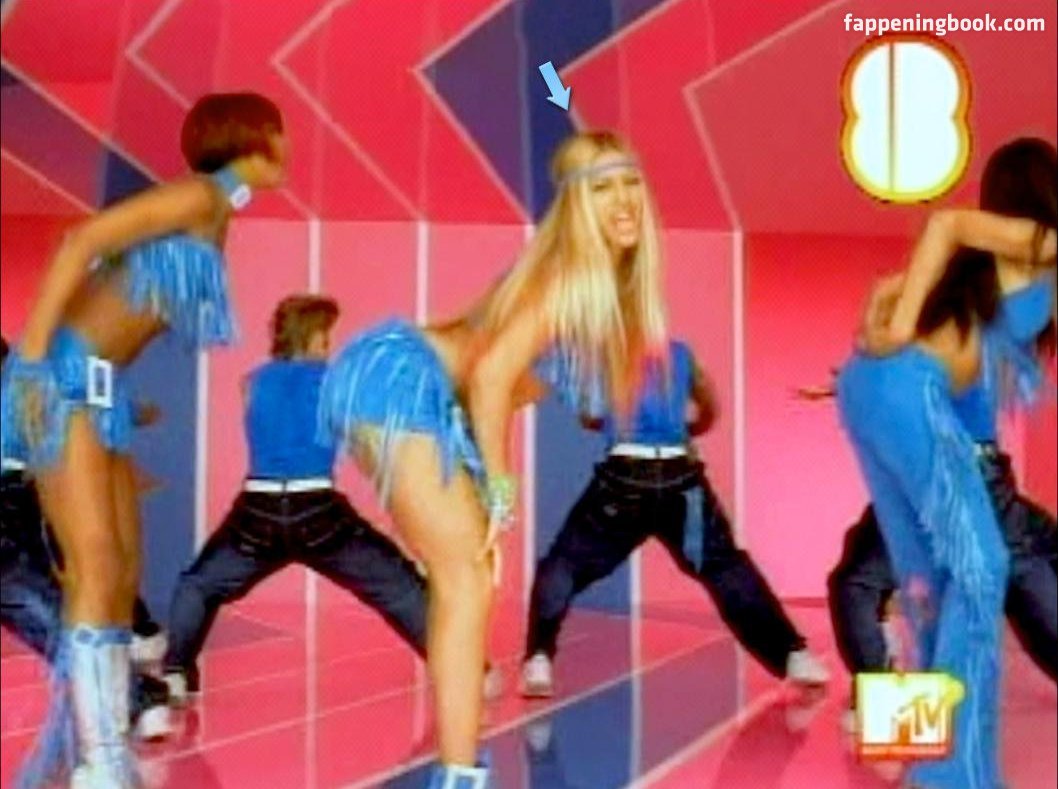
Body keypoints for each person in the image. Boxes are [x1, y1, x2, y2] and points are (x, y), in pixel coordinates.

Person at [320, 131, 670, 787]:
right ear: (577, 206)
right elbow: (489, 379)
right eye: (602, 188)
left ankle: (458, 772)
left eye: (630, 183)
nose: (623, 199)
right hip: (398, 376)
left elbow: (501, 384)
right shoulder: (570, 278)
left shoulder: (603, 292)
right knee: (466, 578)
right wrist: (499, 491)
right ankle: (457, 777)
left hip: (423, 393)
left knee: (469, 579)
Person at [0, 93, 287, 787]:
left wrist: (124, 396)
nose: (286, 145)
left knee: (121, 571)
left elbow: (119, 301)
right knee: (95, 565)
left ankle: (107, 746)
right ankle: (99, 758)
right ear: (251, 138)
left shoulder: (216, 210)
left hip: (102, 390)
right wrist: (32, 362)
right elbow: (81, 243)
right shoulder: (196, 196)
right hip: (61, 379)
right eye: (277, 132)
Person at [836, 138, 1056, 788]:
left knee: (927, 583)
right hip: (911, 392)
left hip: (870, 388)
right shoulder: (1042, 240)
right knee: (983, 569)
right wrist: (902, 329)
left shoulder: (987, 268)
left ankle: (922, 761)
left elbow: (884, 287)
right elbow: (946, 220)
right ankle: (958, 777)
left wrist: (878, 330)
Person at [162, 295, 500, 702]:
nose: (329, 343)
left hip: (257, 511)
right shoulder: (337, 382)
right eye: (325, 336)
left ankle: (175, 673)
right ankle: (469, 672)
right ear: (312, 336)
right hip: (317, 510)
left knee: (198, 585)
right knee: (400, 588)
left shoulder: (251, 383)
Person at [522, 339, 829, 697]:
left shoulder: (605, 353)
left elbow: (590, 415)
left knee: (565, 563)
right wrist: (684, 428)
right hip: (681, 481)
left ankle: (539, 659)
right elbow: (709, 408)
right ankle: (795, 656)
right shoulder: (680, 352)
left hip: (623, 482)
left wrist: (613, 421)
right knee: (724, 567)